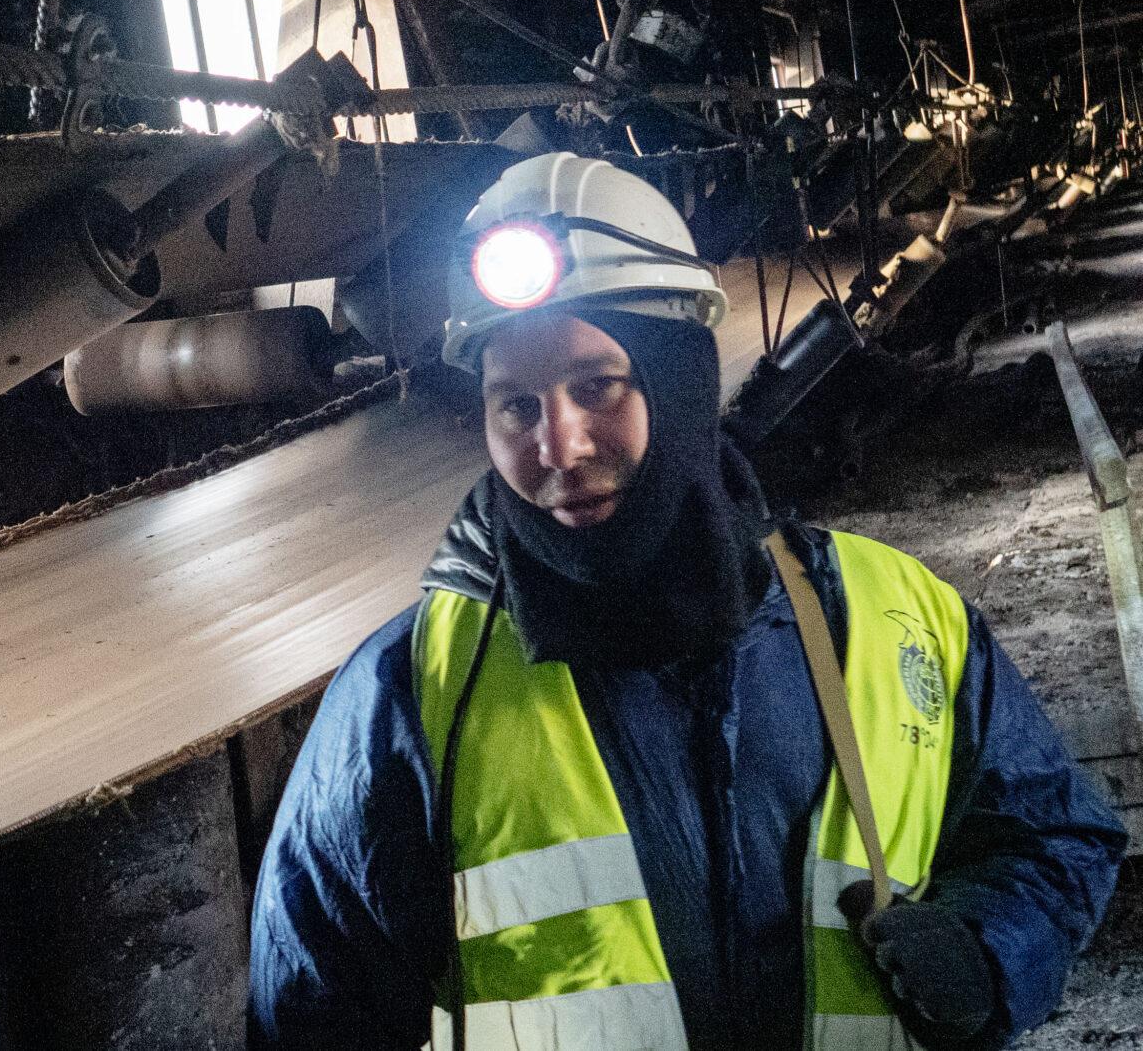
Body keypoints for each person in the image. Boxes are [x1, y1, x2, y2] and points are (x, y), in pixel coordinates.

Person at [250, 152, 1127, 1051]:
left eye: (597, 387)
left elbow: (1054, 834)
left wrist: (989, 952)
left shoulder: (895, 619)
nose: (559, 446)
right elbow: (311, 1020)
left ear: (681, 384)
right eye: (515, 406)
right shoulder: (409, 697)